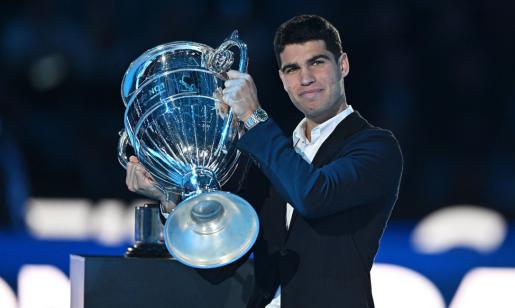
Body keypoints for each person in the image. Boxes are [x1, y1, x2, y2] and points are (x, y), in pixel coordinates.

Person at [127, 14, 402, 308]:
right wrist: (173, 197)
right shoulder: (272, 153)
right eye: (292, 68)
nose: (306, 78)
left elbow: (313, 195)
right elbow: (220, 264)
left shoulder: (375, 147)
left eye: (317, 62)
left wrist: (254, 118)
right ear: (283, 80)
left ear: (343, 65)